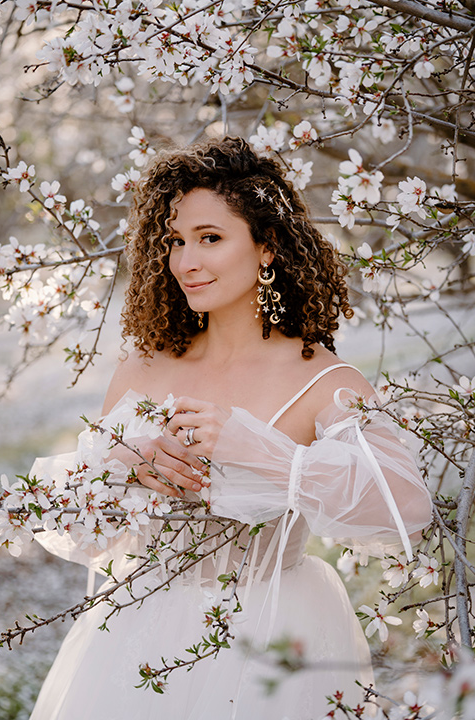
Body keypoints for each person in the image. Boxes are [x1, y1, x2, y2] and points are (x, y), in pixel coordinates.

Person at [29, 136, 432, 720]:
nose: (186, 261)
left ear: (267, 246)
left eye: (210, 239)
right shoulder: (144, 365)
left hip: (269, 636)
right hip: (133, 642)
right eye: (176, 241)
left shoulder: (321, 378)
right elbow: (74, 523)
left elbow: (406, 509)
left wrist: (267, 454)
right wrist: (124, 465)